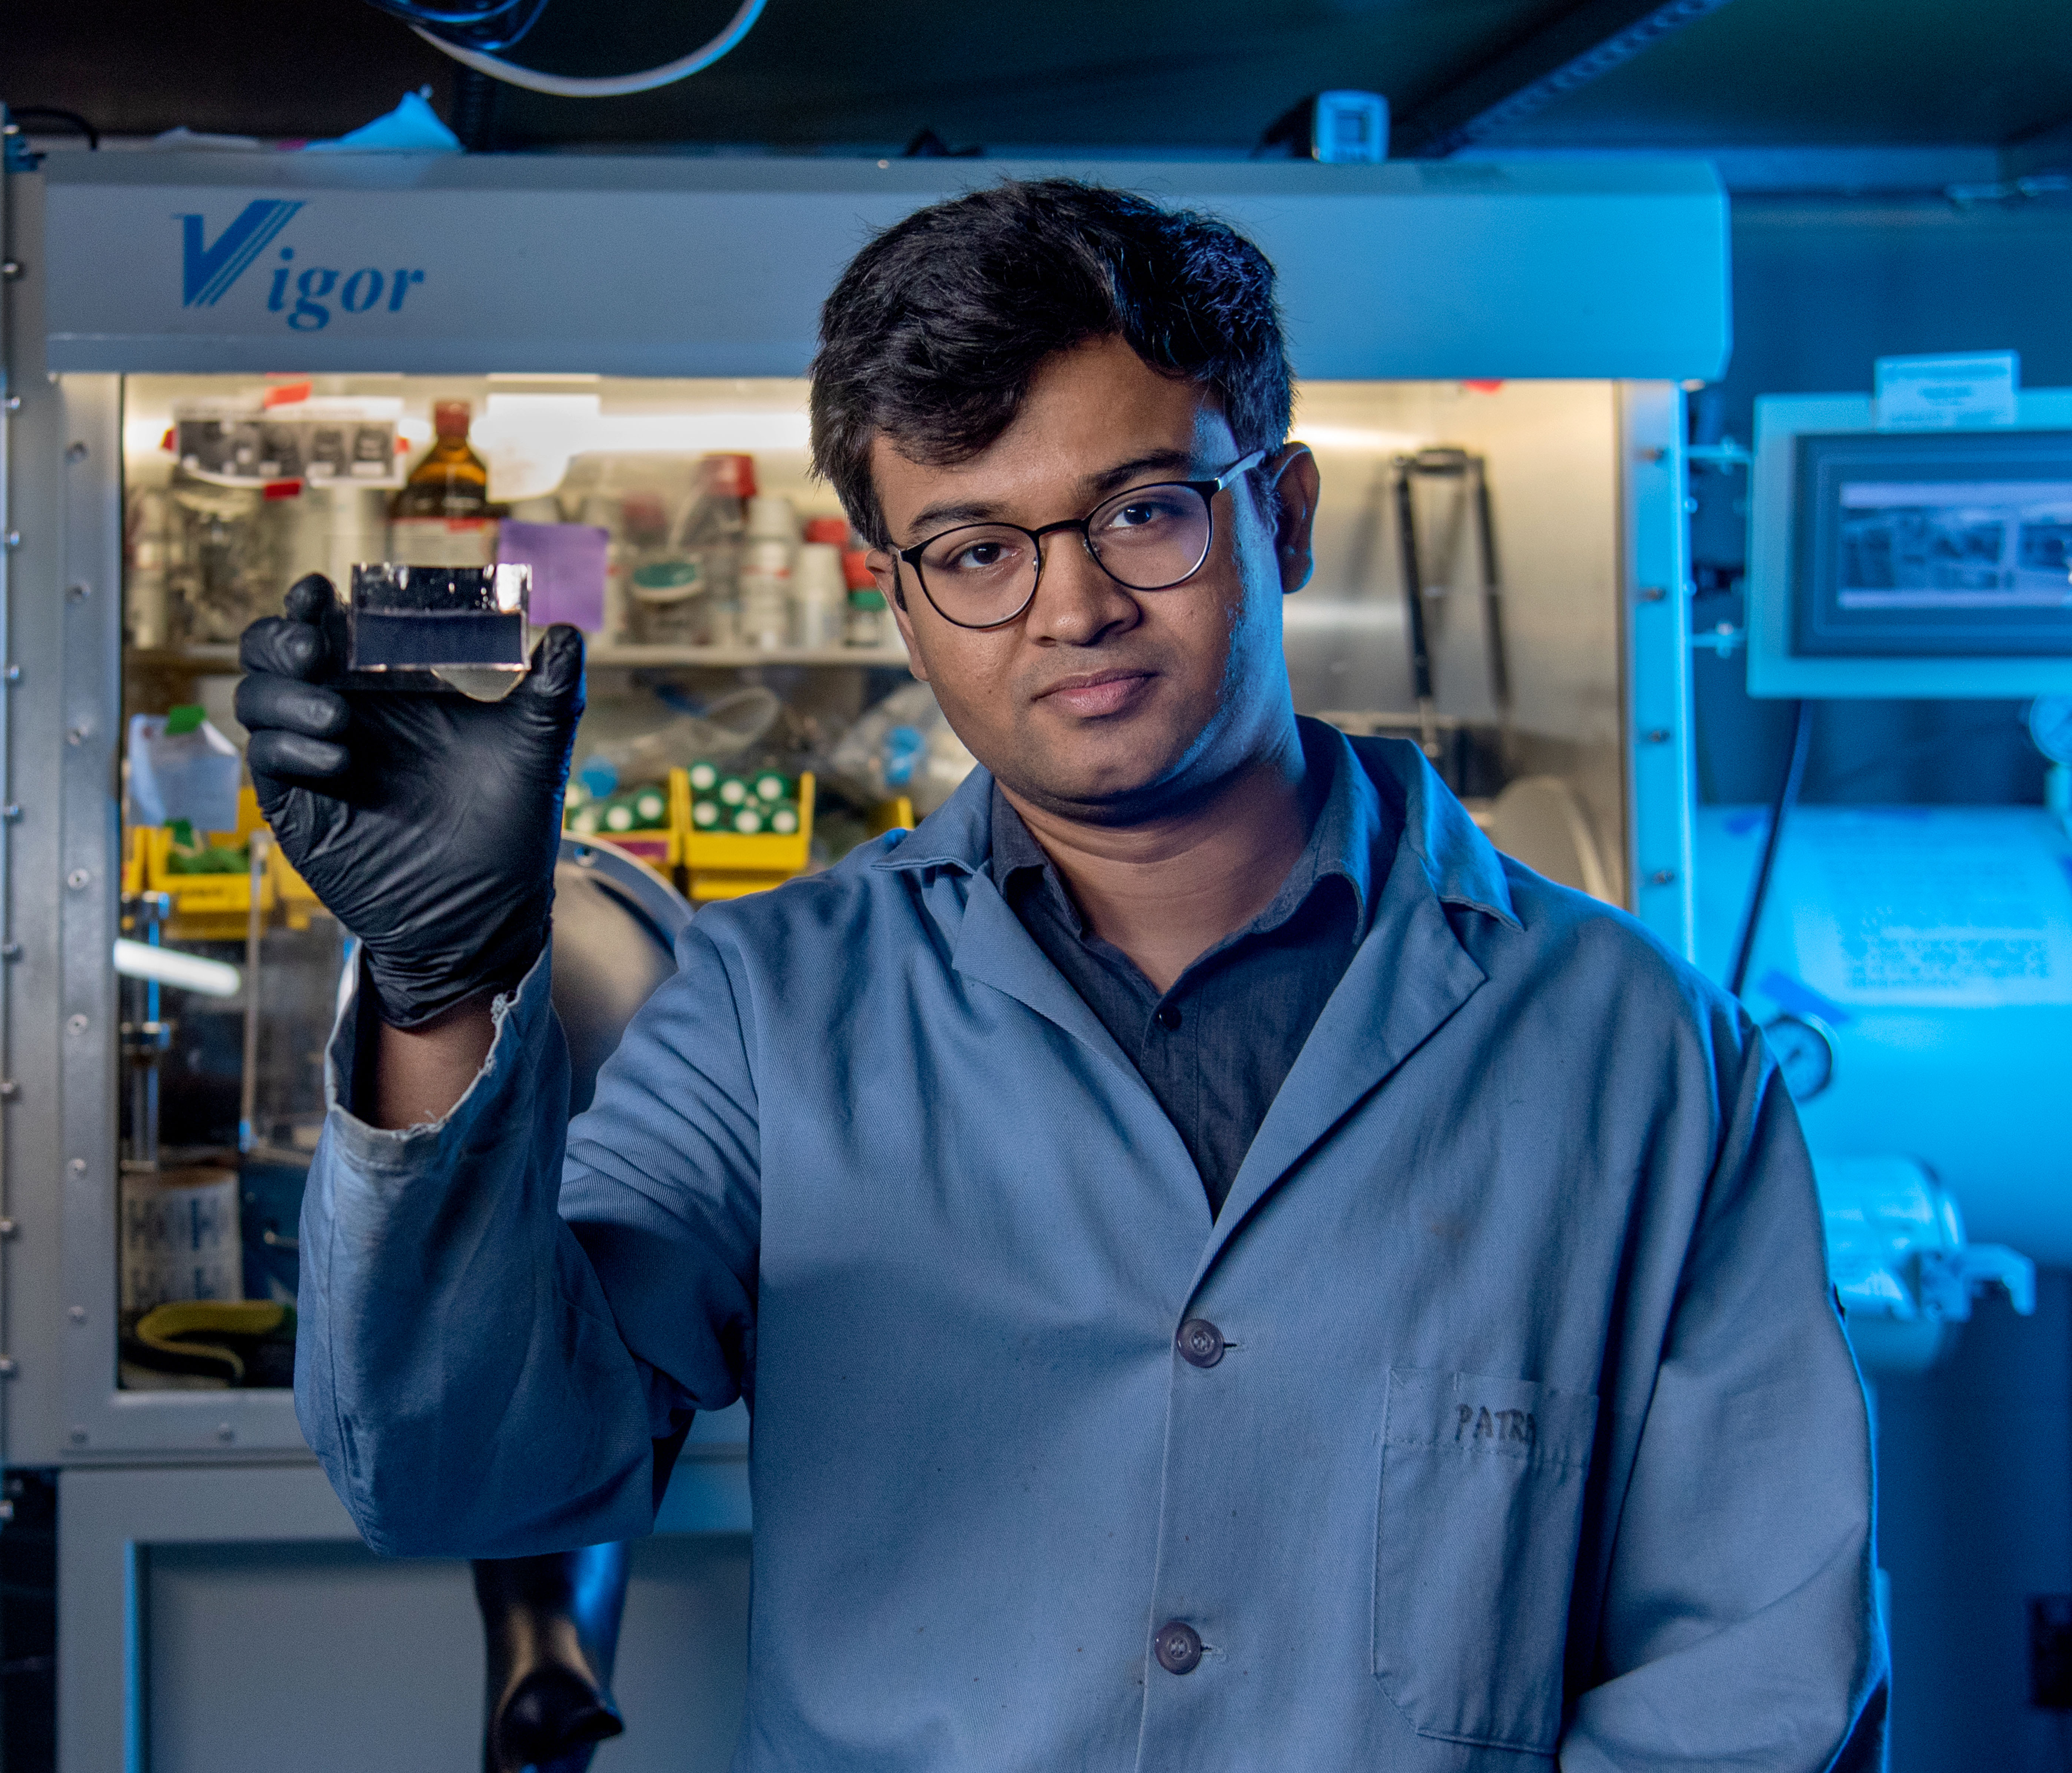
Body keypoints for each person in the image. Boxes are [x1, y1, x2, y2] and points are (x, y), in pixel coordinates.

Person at [235, 179, 1882, 1769]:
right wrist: (440, 982)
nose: (1074, 606)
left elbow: (1759, 1671)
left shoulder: (1645, 1050)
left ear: (1282, 515)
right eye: (974, 549)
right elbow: (467, 1478)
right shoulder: (765, 1012)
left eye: (1144, 511)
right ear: (899, 599)